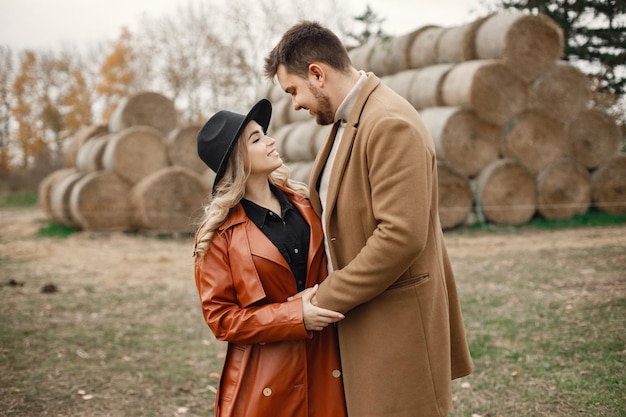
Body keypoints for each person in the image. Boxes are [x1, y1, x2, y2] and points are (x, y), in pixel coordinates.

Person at [264, 21, 474, 417]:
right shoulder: (348, 119)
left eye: (292, 91)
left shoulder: (388, 121)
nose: (294, 105)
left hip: (397, 324)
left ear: (317, 74)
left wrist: (325, 297)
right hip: (366, 317)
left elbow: (400, 236)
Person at [193, 98, 347, 417]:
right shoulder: (219, 235)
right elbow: (221, 319)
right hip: (268, 377)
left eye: (264, 133)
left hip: (331, 359)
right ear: (239, 159)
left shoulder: (308, 204)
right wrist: (295, 315)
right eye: (257, 139)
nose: (271, 140)